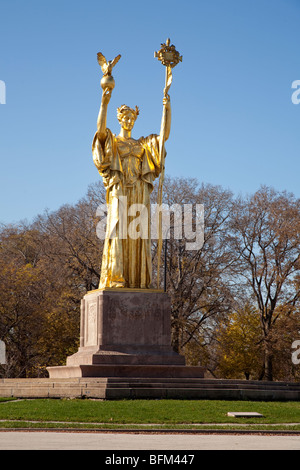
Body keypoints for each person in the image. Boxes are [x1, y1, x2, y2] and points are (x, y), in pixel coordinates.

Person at [92, 85, 171, 289]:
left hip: (139, 189)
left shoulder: (142, 144)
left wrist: (167, 110)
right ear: (119, 119)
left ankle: (138, 280)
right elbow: (100, 132)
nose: (129, 121)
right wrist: (104, 102)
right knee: (118, 230)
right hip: (120, 189)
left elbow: (163, 138)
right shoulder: (114, 141)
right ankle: (116, 278)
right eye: (125, 117)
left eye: (132, 118)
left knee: (139, 233)